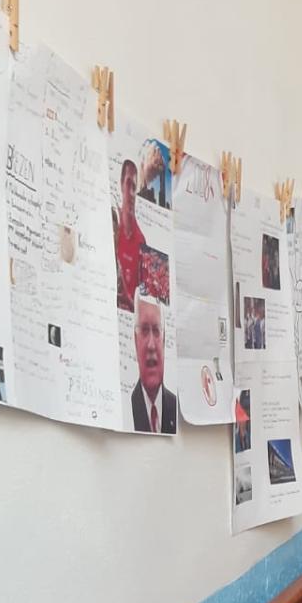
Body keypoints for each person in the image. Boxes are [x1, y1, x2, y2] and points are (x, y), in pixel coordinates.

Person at [129, 293, 178, 433]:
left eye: (156, 331)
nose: (151, 345)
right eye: (144, 330)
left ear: (164, 341)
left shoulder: (174, 406)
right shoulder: (128, 407)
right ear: (135, 340)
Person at [112, 159, 145, 311]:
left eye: (134, 187)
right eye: (128, 184)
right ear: (121, 184)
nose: (131, 193)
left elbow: (142, 305)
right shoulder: (112, 224)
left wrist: (128, 300)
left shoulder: (141, 241)